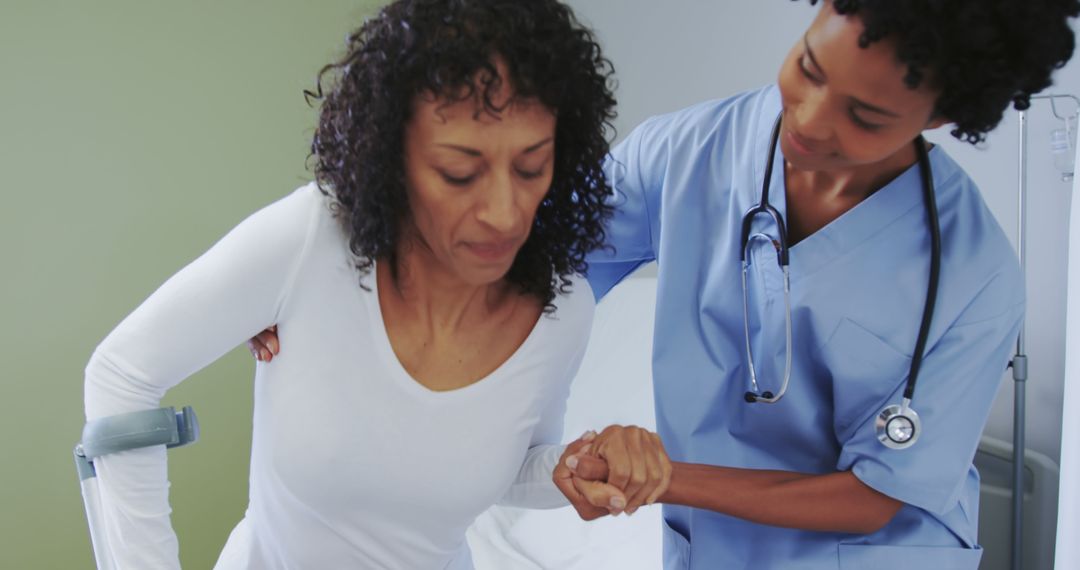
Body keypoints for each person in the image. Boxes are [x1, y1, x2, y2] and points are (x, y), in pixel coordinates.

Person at [81, 1, 669, 568]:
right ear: (391, 156)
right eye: (459, 173)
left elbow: (509, 466)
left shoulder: (563, 311)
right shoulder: (314, 240)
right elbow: (122, 374)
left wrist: (572, 467)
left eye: (530, 167)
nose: (505, 213)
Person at [554, 0, 1079, 568]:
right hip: (714, 547)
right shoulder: (684, 153)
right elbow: (541, 269)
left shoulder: (975, 274)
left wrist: (659, 476)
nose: (808, 120)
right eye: (809, 68)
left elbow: (876, 495)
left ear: (938, 117)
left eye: (866, 116)